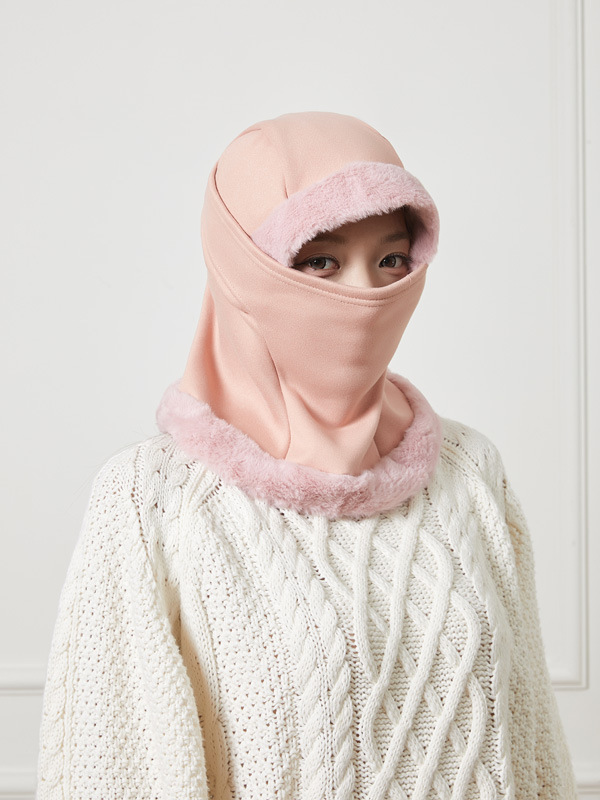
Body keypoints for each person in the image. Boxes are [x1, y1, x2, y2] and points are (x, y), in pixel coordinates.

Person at [35, 111, 578, 799]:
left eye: (392, 260)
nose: (366, 295)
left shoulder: (469, 471)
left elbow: (530, 752)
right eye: (320, 260)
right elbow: (117, 774)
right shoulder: (152, 504)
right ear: (243, 271)